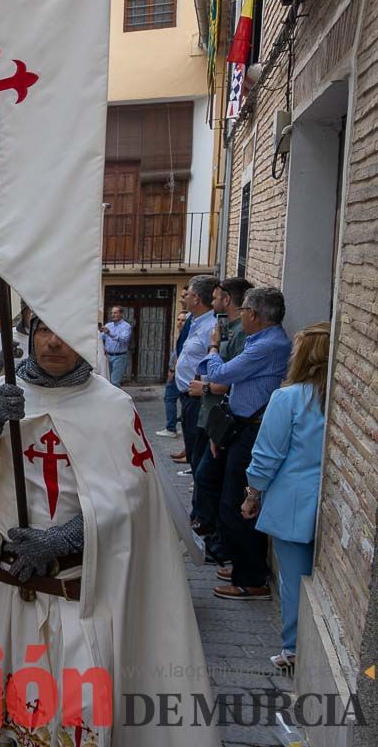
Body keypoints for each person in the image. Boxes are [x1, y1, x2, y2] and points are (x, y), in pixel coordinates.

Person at [0, 315, 215, 747]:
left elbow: (135, 499)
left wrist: (64, 538)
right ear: (31, 336)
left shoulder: (111, 406)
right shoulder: (5, 392)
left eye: (65, 331)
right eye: (43, 330)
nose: (54, 342)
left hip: (80, 593)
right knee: (13, 709)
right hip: (11, 588)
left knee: (79, 709)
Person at [242, 322, 329, 670]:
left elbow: (267, 455)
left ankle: (292, 649)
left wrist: (251, 494)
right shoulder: (336, 398)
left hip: (292, 501)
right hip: (323, 499)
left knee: (292, 580)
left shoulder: (289, 398)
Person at [198, 286, 292, 601]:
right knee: (229, 499)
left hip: (252, 432)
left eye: (246, 312)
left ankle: (250, 579)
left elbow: (223, 373)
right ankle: (242, 564)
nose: (242, 318)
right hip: (241, 428)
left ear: (254, 314)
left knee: (236, 505)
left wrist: (212, 349)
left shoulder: (268, 345)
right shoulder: (262, 342)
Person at [189, 278, 252, 554]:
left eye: (215, 298)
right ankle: (212, 531)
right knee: (206, 475)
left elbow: (225, 378)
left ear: (227, 299)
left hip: (228, 420)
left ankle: (216, 536)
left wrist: (204, 383)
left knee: (212, 479)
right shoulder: (226, 326)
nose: (212, 303)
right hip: (216, 417)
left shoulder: (240, 334)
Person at [175, 275, 218, 478]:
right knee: (192, 450)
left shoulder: (210, 326)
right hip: (187, 396)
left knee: (197, 453)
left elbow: (214, 363)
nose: (184, 298)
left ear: (197, 298)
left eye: (188, 294)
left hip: (198, 399)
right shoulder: (195, 321)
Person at [157, 310, 190, 439]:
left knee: (169, 398)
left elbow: (180, 355)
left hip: (177, 373)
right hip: (178, 372)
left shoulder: (187, 335)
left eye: (183, 320)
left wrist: (172, 370)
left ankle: (171, 428)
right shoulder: (182, 334)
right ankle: (181, 426)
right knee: (182, 399)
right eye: (178, 320)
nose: (180, 323)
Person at [99, 305, 133, 387]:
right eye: (112, 313)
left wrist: (109, 333)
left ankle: (115, 399)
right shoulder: (108, 325)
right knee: (106, 381)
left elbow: (124, 339)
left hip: (119, 357)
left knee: (114, 382)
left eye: (115, 313)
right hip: (107, 357)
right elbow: (100, 338)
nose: (112, 315)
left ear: (121, 314)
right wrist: (98, 331)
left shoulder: (126, 326)